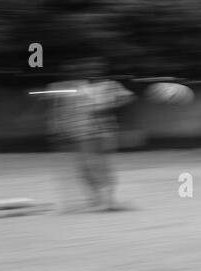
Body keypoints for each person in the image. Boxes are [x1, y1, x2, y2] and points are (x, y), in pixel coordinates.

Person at [46, 57, 136, 212]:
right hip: (81, 132)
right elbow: (66, 110)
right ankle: (96, 199)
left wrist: (107, 106)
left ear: (101, 70)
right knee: (84, 167)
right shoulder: (78, 87)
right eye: (89, 68)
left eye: (96, 68)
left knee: (100, 166)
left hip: (103, 131)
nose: (92, 71)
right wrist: (60, 128)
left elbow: (128, 97)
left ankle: (109, 200)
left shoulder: (109, 85)